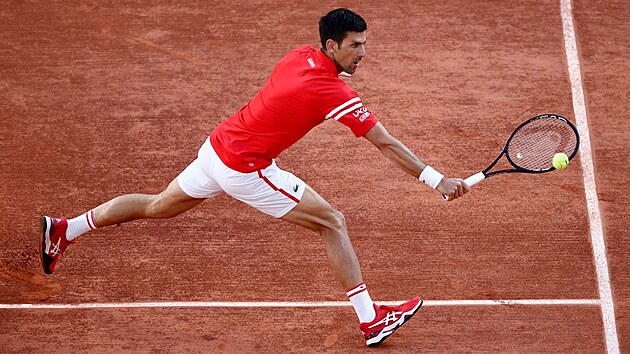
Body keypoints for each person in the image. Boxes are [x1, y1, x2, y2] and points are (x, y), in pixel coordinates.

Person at [39, 8, 469, 346]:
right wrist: (436, 179)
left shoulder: (301, 54)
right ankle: (371, 320)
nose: (363, 53)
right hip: (244, 168)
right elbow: (385, 142)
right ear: (332, 45)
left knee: (157, 205)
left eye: (365, 44)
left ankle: (66, 228)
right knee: (332, 221)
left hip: (217, 146)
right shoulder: (333, 91)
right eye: (355, 46)